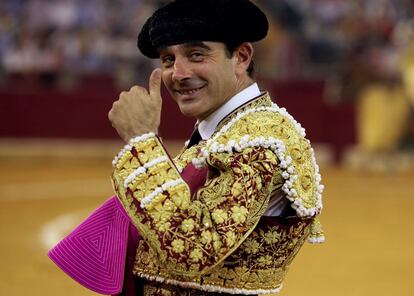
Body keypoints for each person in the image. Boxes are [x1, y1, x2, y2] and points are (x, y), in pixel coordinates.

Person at [49, 1, 325, 295]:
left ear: (241, 57)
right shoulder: (225, 132)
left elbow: (194, 247)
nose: (178, 74)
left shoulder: (261, 141)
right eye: (168, 59)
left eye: (196, 55)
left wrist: (142, 142)